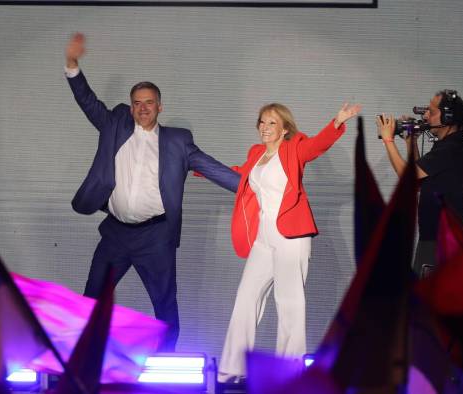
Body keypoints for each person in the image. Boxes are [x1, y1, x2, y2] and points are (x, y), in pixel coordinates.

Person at [64, 33, 240, 351]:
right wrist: (73, 64)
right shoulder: (114, 124)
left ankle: (166, 361)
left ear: (160, 106)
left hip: (155, 237)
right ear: (130, 108)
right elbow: (87, 102)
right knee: (91, 299)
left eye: (149, 102)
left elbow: (214, 169)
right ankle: (82, 360)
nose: (143, 108)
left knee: (164, 304)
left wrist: (254, 188)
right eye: (137, 103)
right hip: (116, 234)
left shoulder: (177, 141)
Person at [218, 102, 361, 382]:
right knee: (246, 298)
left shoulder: (294, 147)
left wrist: (337, 122)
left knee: (289, 303)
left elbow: (317, 146)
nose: (265, 127)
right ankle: (233, 367)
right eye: (262, 122)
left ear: (284, 129)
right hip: (263, 236)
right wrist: (199, 167)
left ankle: (290, 372)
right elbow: (240, 174)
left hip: (290, 236)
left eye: (272, 123)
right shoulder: (256, 153)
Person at [377, 90, 463, 277]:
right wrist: (411, 143)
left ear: (448, 116)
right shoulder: (446, 146)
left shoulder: (451, 149)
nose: (425, 115)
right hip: (435, 238)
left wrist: (388, 139)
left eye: (431, 111)